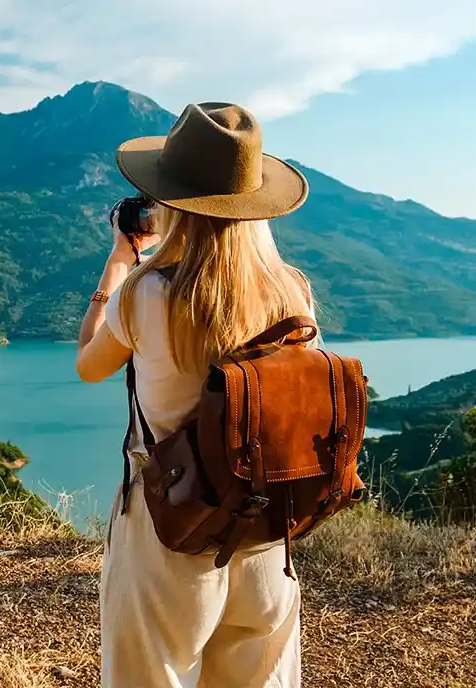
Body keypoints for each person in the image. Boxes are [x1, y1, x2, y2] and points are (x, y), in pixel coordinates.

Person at [76, 102, 316, 687]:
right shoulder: (293, 293)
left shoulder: (147, 292)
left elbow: (89, 365)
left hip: (169, 529)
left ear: (169, 202)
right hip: (263, 531)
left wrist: (118, 263)